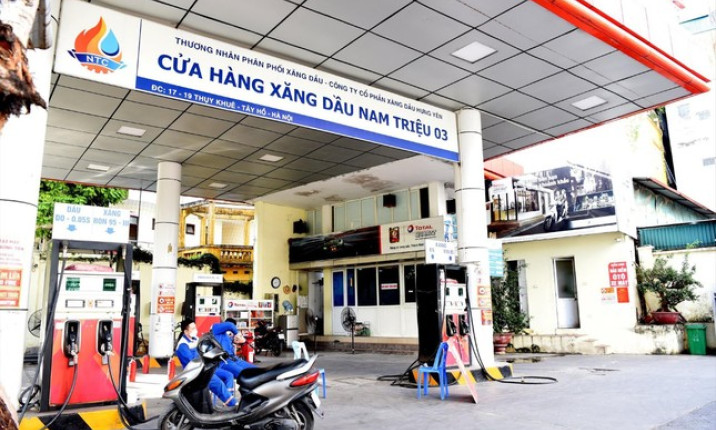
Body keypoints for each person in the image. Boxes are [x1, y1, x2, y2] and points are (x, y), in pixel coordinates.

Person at [175, 319, 237, 409]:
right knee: (217, 383)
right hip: (197, 372)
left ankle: (228, 399)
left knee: (228, 375)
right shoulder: (183, 345)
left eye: (195, 327)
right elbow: (191, 362)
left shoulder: (195, 339)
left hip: (206, 367)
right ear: (186, 331)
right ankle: (232, 403)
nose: (195, 330)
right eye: (192, 328)